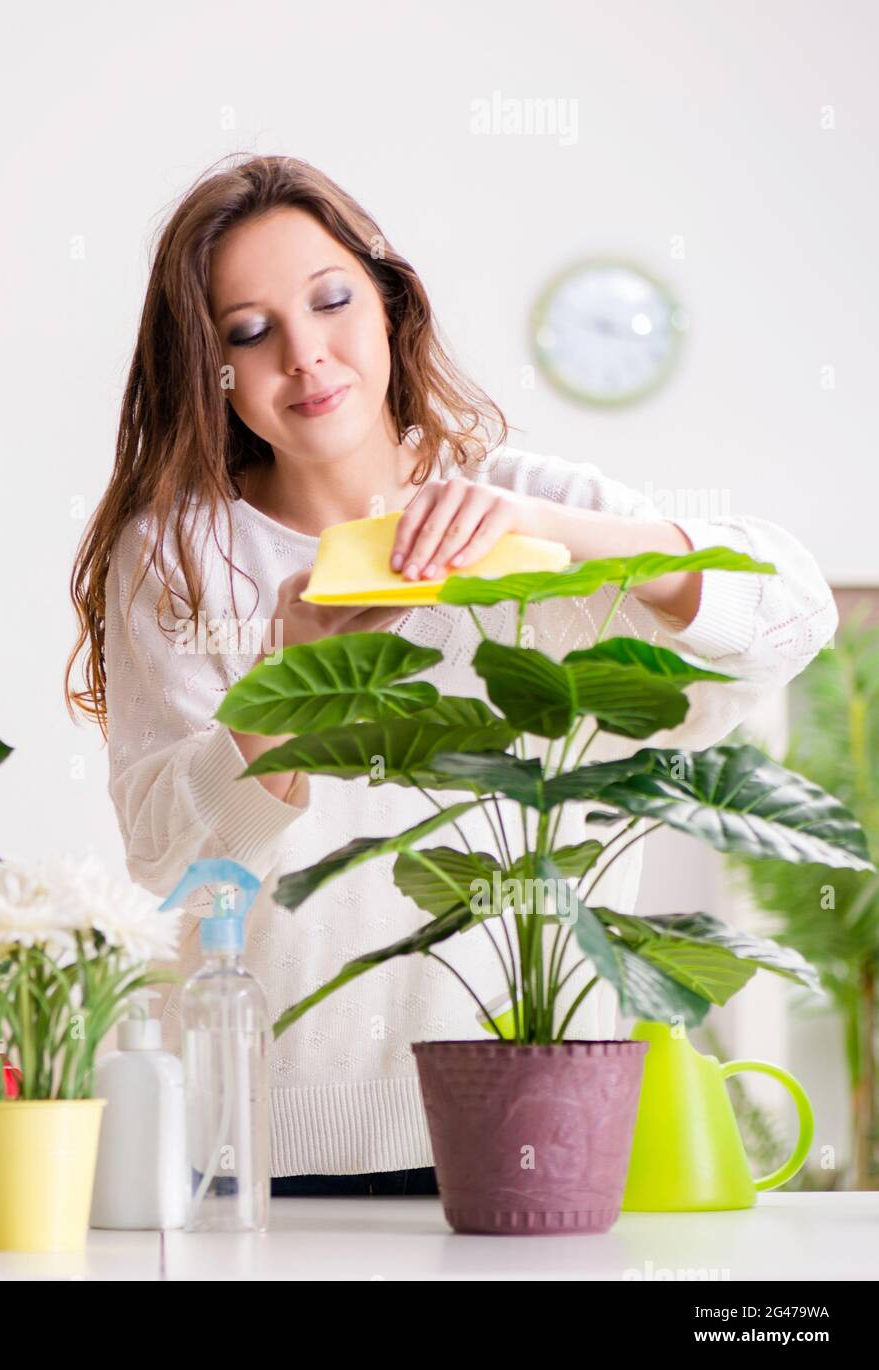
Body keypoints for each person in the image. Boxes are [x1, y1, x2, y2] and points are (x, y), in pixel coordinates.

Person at [66, 154, 838, 1199]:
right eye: (249, 332)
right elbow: (168, 851)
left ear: (388, 304)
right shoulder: (181, 553)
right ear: (210, 367)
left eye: (332, 300)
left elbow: (790, 614)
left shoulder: (525, 502)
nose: (306, 354)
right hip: (269, 1142)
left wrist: (556, 531)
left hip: (543, 1101)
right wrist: (291, 681)